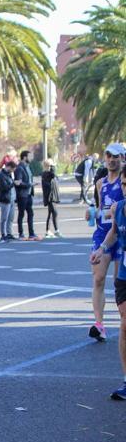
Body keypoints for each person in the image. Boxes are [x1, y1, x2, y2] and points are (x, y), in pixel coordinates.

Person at [90, 165, 126, 398]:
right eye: (124, 184)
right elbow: (113, 231)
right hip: (124, 275)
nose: (125, 188)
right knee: (125, 325)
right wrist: (102, 248)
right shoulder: (120, 208)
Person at [86, 144, 125, 341]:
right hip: (103, 233)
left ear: (122, 159)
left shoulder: (124, 181)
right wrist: (93, 212)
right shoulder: (101, 183)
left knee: (119, 281)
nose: (111, 160)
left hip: (120, 233)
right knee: (98, 278)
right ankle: (99, 324)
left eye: (116, 157)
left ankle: (123, 322)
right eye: (108, 156)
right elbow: (101, 206)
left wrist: (114, 212)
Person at [14, 149, 37, 240]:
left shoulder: (28, 167)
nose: (31, 158)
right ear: (24, 157)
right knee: (21, 214)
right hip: (22, 195)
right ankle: (21, 234)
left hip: (29, 194)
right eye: (29, 156)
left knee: (30, 213)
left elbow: (28, 179)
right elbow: (18, 182)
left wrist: (31, 185)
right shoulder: (19, 168)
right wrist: (29, 185)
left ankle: (31, 233)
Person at [0, 159, 16, 241]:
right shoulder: (2, 175)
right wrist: (13, 183)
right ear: (9, 167)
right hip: (5, 199)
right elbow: (4, 187)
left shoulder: (9, 175)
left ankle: (9, 233)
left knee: (10, 217)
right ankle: (3, 234)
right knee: (4, 218)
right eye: (12, 169)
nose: (12, 171)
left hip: (11, 198)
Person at [41, 159, 62, 238]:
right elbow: (53, 174)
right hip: (50, 197)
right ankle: (56, 230)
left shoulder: (50, 174)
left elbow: (55, 177)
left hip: (53, 196)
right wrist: (53, 166)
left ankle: (48, 231)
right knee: (54, 213)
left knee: (50, 214)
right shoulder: (46, 174)